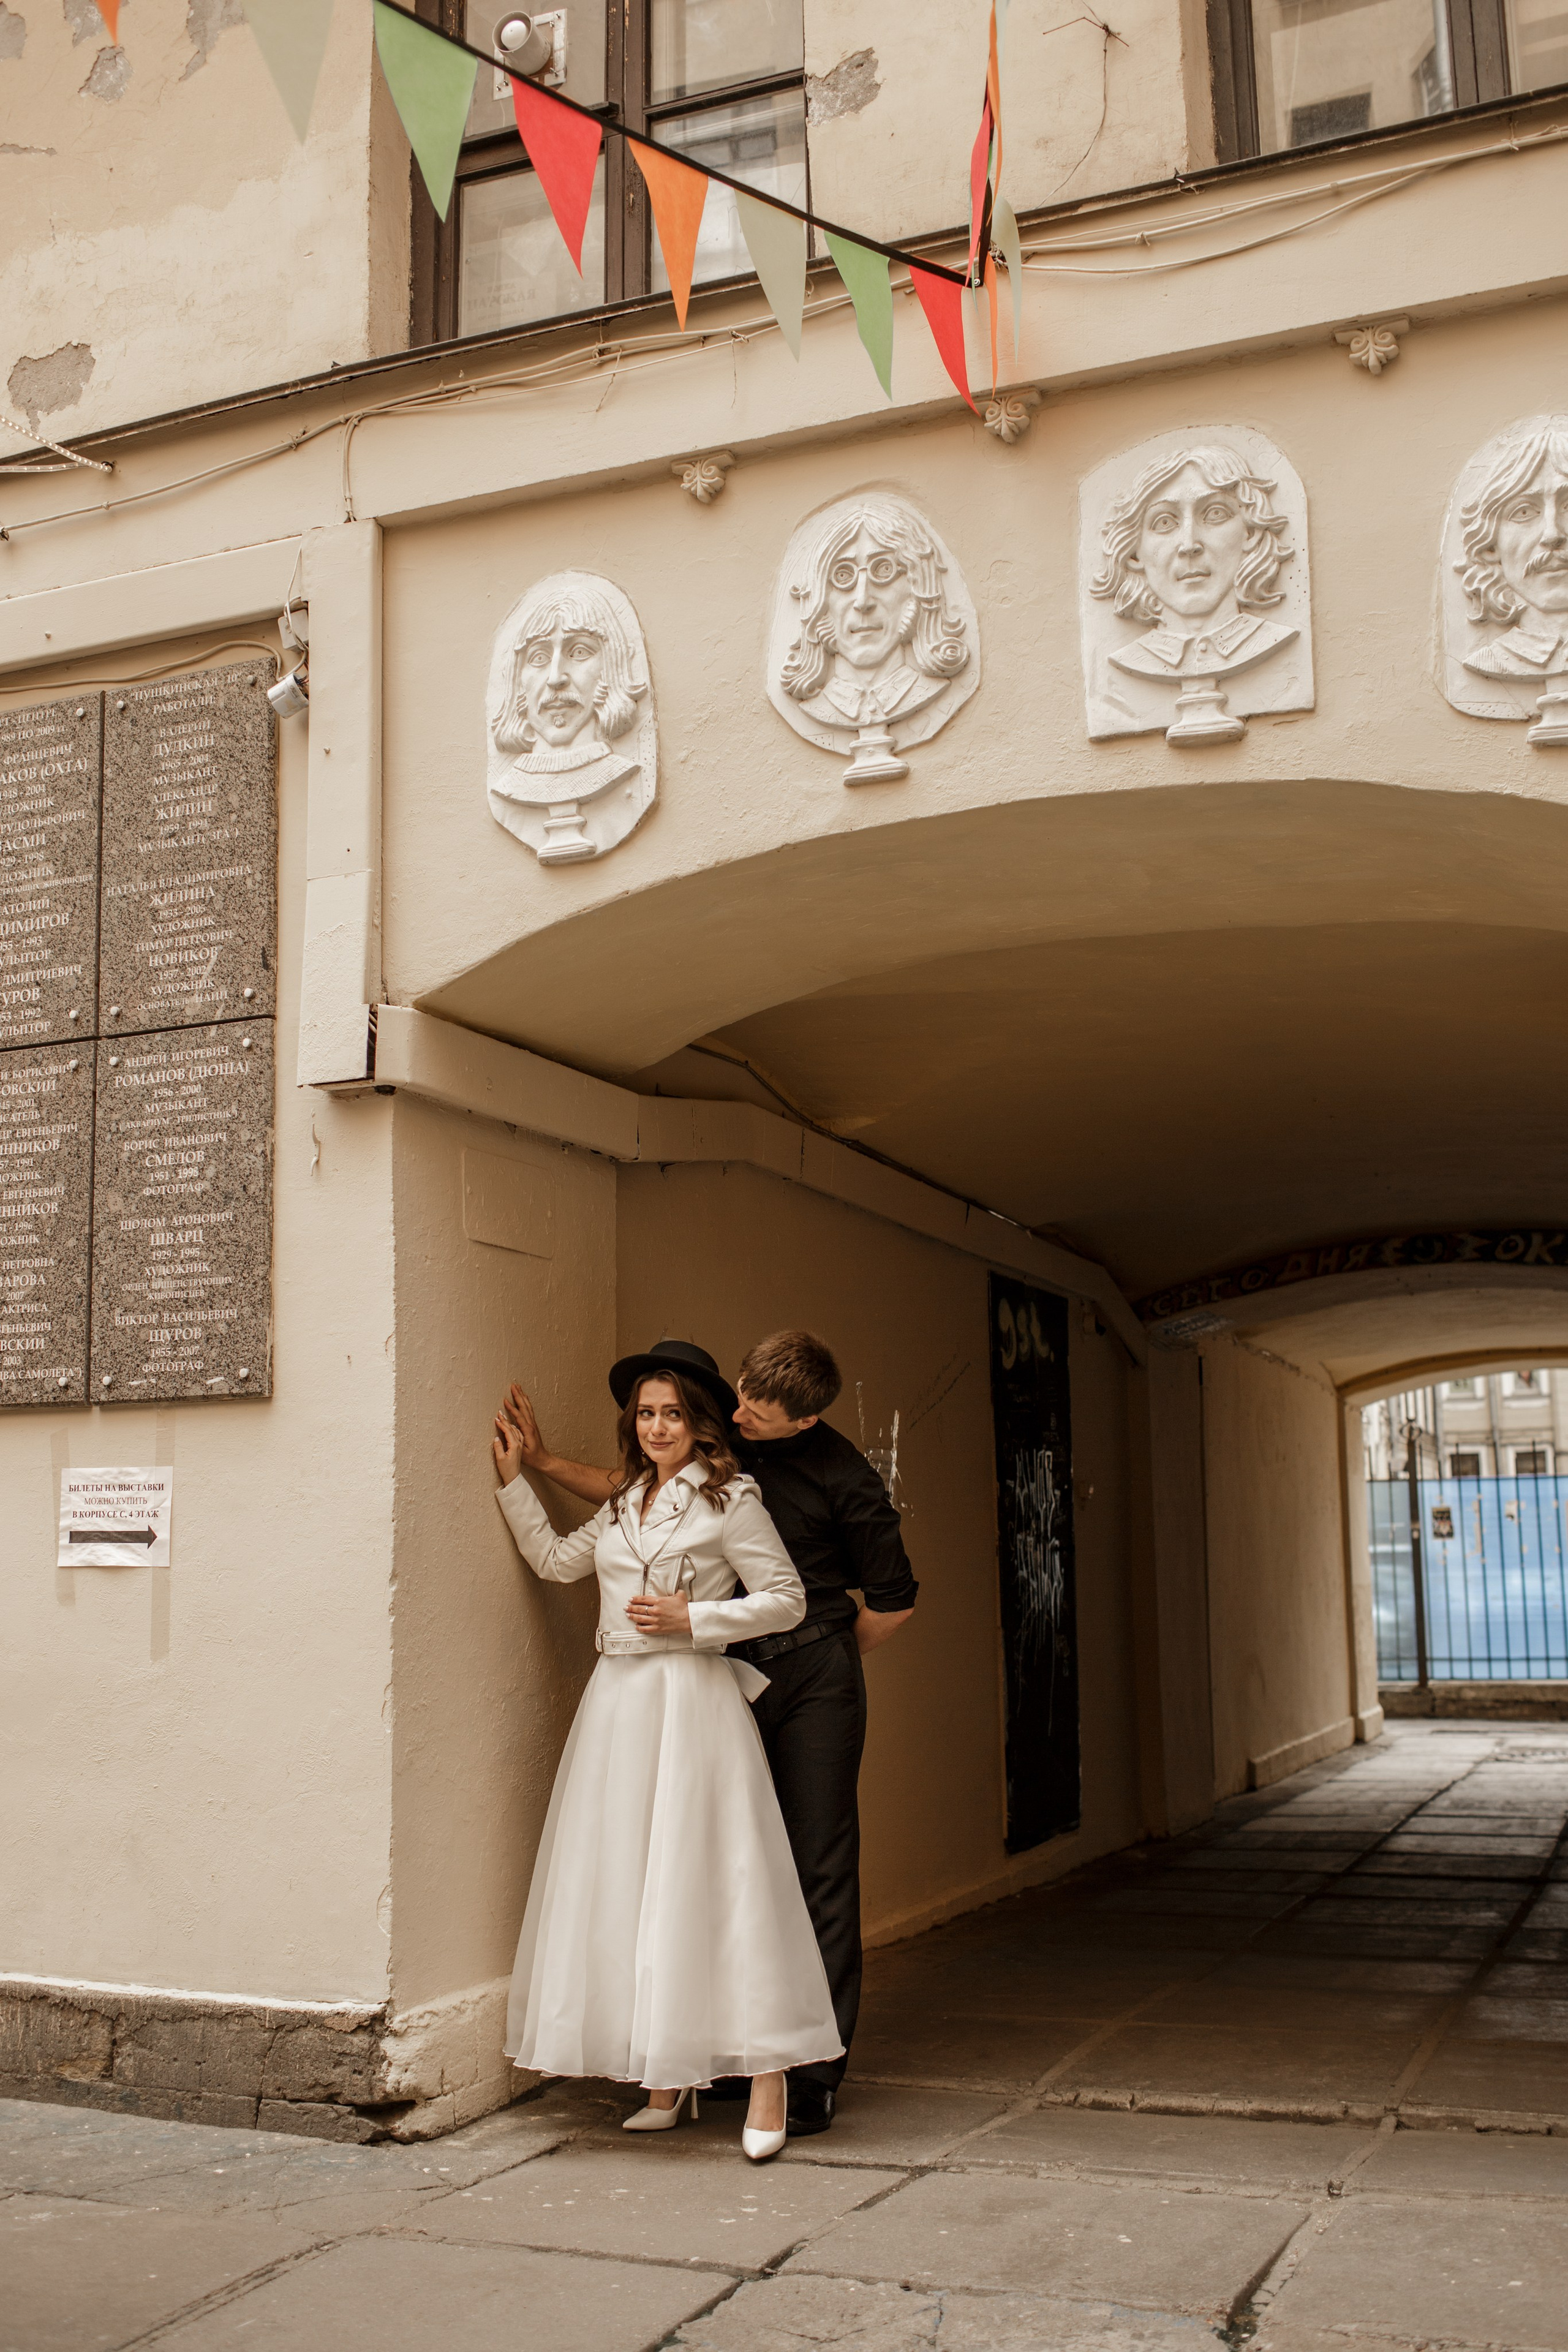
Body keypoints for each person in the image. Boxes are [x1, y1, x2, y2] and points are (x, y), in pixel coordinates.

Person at [500, 1329, 918, 2139]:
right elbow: (592, 1530)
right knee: (671, 1872)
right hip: (668, 1687)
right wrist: (532, 1471)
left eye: (752, 1413)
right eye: (735, 1401)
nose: (738, 1416)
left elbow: (868, 1602)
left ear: (799, 1422)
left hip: (788, 1674)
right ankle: (687, 2062)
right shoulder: (659, 1482)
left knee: (800, 1866)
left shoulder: (826, 1480)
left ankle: (803, 2073)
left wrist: (768, 1643)